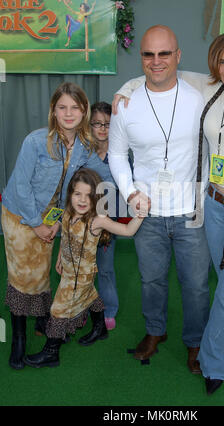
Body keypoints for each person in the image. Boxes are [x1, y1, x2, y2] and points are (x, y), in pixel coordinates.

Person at [113, 30, 224, 393]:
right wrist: (128, 87)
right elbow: (156, 74)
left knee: (217, 291)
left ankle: (209, 359)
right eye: (223, 62)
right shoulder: (210, 93)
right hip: (210, 207)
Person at [108, 25, 211, 375]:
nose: (156, 61)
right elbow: (117, 155)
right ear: (141, 58)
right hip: (146, 214)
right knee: (151, 280)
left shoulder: (200, 97)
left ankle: (195, 343)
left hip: (191, 212)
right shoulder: (126, 104)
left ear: (178, 56)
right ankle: (155, 332)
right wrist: (130, 192)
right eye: (149, 54)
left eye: (164, 53)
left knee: (196, 285)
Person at [1, 82, 114, 370]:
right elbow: (21, 185)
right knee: (23, 277)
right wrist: (37, 224)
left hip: (51, 221)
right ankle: (19, 340)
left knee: (41, 274)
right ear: (53, 110)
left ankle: (41, 319)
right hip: (20, 216)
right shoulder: (36, 141)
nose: (68, 113)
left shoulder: (86, 146)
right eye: (62, 107)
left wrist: (121, 198)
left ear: (84, 111)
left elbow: (105, 180)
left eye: (75, 107)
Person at [23, 168, 147, 368]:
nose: (82, 200)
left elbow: (126, 230)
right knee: (91, 296)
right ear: (70, 194)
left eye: (88, 196)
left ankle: (51, 352)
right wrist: (60, 258)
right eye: (77, 194)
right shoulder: (67, 214)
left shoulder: (97, 220)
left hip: (81, 277)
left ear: (95, 198)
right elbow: (66, 239)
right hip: (69, 271)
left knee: (57, 309)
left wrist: (140, 215)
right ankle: (100, 328)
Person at [90, 101, 118, 330]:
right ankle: (79, 308)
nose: (102, 129)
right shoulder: (83, 153)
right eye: (97, 124)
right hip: (83, 224)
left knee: (105, 269)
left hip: (108, 225)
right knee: (80, 269)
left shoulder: (120, 157)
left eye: (107, 124)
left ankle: (109, 309)